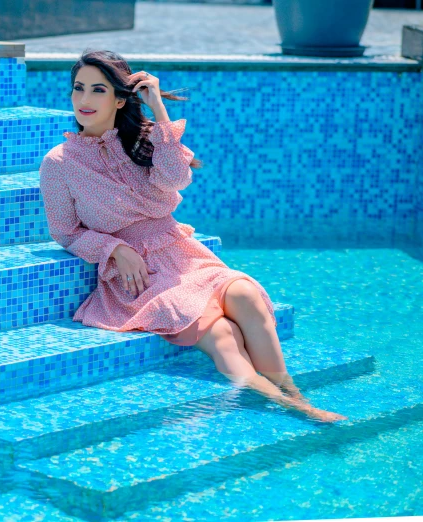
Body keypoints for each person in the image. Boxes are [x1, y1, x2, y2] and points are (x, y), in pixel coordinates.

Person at [38, 49, 347, 424]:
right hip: (143, 277)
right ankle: (297, 409)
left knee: (246, 294)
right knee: (223, 338)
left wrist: (158, 109)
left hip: (183, 254)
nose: (84, 100)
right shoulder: (59, 162)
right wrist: (114, 247)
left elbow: (177, 179)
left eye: (98, 90)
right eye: (78, 88)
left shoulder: (146, 141)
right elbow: (65, 232)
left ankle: (293, 390)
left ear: (120, 99)